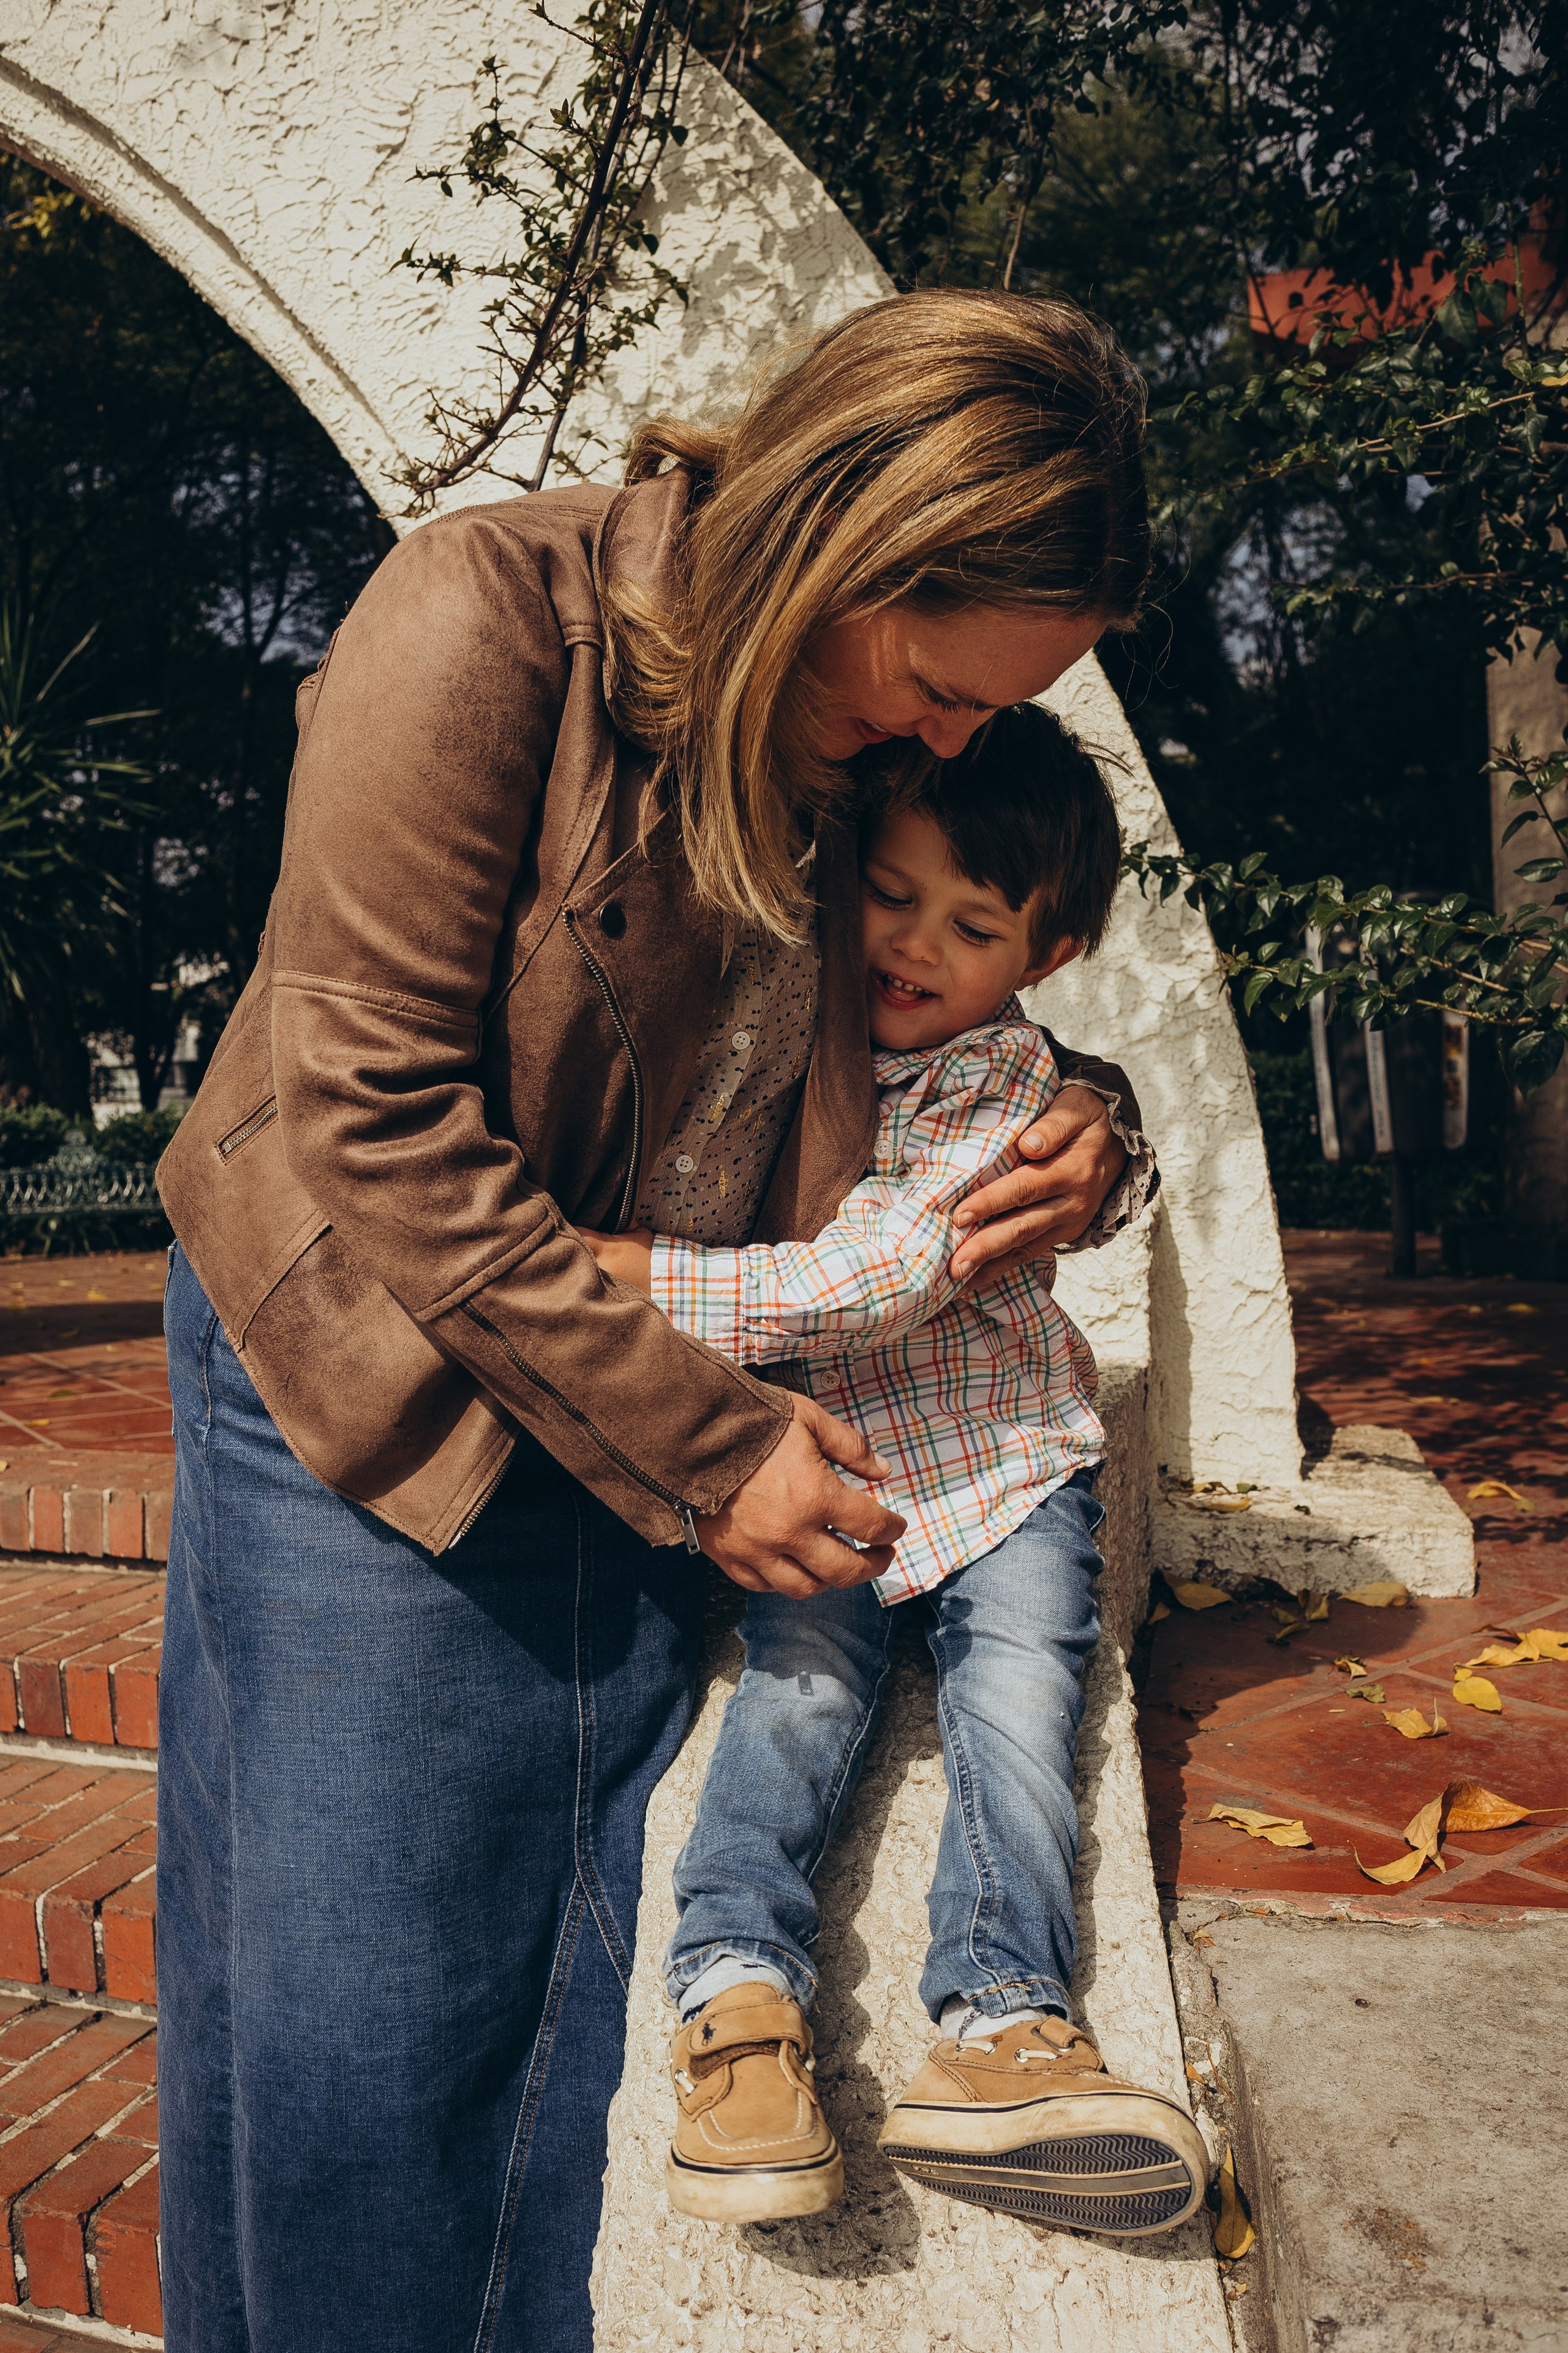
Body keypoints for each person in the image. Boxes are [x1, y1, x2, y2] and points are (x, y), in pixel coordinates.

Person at [155, 289, 1161, 2353]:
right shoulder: (479, 620)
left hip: (629, 1374)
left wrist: (1092, 1125)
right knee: (367, 2019)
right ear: (848, 533)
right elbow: (372, 1119)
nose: (953, 743)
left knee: (490, 1997)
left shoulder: (838, 724)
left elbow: (954, 997)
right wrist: (714, 1454)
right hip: (379, 1372)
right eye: (947, 682)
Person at [582, 706, 1207, 2240]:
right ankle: (735, 2004)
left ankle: (999, 2020)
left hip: (1001, 1464)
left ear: (1040, 955)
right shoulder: (791, 1027)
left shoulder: (1009, 1087)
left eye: (971, 922)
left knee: (1020, 1693)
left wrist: (608, 1278)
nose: (914, 943)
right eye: (894, 892)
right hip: (830, 1467)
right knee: (795, 1686)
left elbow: (862, 1284)